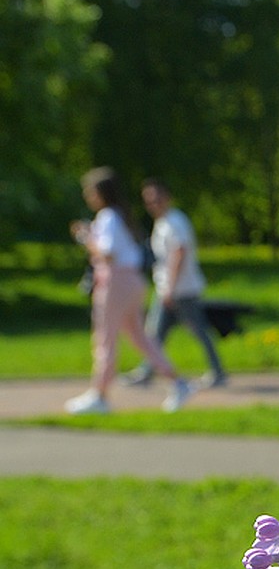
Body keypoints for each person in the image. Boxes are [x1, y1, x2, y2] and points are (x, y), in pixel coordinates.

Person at [66, 167, 192, 415]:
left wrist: (85, 238)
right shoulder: (119, 216)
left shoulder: (108, 216)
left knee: (105, 338)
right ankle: (177, 382)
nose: (88, 197)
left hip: (116, 282)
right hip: (131, 282)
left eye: (90, 192)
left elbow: (108, 254)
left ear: (101, 193)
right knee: (139, 337)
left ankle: (100, 394)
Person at [122, 177, 227, 389]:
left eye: (157, 198)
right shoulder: (163, 223)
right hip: (168, 289)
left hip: (181, 290)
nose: (153, 204)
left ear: (167, 197)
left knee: (197, 331)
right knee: (156, 333)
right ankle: (147, 370)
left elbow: (179, 253)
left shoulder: (175, 222)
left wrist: (170, 286)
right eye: (149, 200)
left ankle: (217, 372)